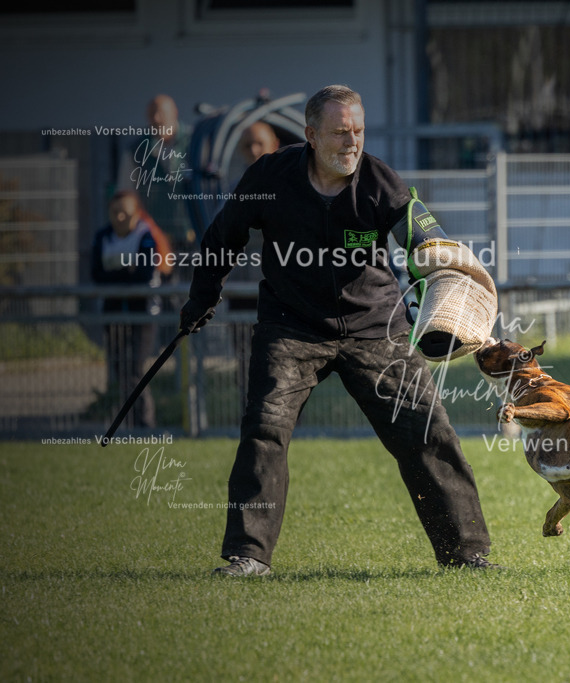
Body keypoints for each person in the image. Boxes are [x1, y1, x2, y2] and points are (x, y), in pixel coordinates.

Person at [179, 85, 499, 576]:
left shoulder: (380, 182)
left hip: (375, 327)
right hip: (291, 326)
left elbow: (427, 241)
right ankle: (249, 556)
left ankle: (467, 554)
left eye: (358, 131)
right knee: (264, 431)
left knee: (428, 431)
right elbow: (224, 236)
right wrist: (202, 297)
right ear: (311, 135)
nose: (352, 142)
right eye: (340, 132)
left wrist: (450, 282)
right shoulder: (269, 177)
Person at [91, 190, 170, 429]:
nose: (119, 217)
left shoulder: (146, 236)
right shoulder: (103, 237)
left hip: (143, 314)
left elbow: (143, 275)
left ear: (136, 214)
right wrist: (128, 271)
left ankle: (144, 425)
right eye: (114, 212)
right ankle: (132, 424)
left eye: (124, 213)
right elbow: (97, 275)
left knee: (135, 370)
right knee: (121, 370)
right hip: (113, 313)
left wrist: (117, 275)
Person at [117, 94, 195, 251]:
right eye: (152, 114)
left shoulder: (195, 142)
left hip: (194, 233)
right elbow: (126, 194)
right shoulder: (136, 150)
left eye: (161, 113)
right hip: (154, 238)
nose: (157, 119)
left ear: (175, 113)